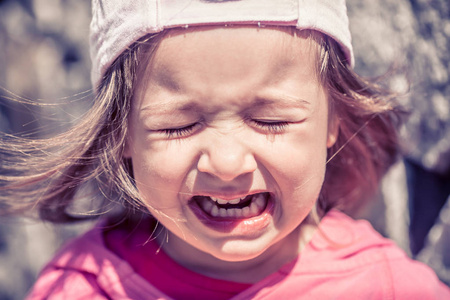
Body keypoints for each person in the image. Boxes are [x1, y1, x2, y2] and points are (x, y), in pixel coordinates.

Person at [1, 0, 449, 299]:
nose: (228, 163)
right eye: (179, 126)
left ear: (333, 120)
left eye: (271, 119)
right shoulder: (83, 289)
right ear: (122, 137)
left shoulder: (385, 287)